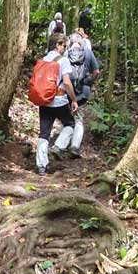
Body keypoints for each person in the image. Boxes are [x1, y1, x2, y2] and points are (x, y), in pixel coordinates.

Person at [36, 33, 79, 175]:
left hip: (44, 101)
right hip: (59, 101)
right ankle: (58, 146)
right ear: (58, 45)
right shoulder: (63, 61)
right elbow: (66, 82)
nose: (65, 48)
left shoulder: (43, 59)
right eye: (64, 45)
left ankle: (41, 166)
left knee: (44, 133)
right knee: (70, 124)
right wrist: (73, 99)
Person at [54, 30, 100, 158]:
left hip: (67, 92)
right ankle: (74, 147)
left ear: (70, 42)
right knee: (78, 120)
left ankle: (59, 145)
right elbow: (96, 71)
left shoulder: (65, 54)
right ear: (81, 43)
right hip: (82, 93)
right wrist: (89, 81)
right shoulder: (88, 53)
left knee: (67, 121)